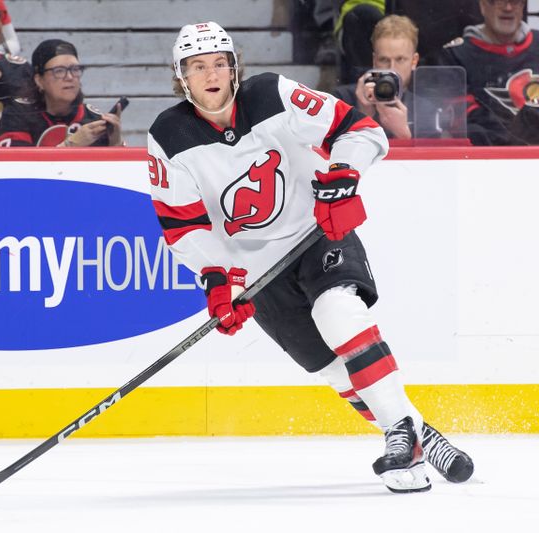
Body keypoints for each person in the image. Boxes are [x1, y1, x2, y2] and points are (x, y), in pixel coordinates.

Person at [147, 21, 474, 493]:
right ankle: (414, 436)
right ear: (182, 77)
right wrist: (219, 277)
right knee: (332, 368)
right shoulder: (169, 134)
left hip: (315, 232)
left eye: (220, 62)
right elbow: (182, 226)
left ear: (234, 67)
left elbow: (360, 130)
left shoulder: (272, 94)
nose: (212, 74)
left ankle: (402, 434)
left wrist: (343, 173)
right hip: (259, 272)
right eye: (198, 67)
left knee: (337, 311)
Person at [436, 0, 539, 145]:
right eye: (499, 2)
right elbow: (463, 118)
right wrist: (516, 142)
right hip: (487, 160)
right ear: (483, 5)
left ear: (523, 6)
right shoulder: (455, 56)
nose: (508, 8)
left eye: (514, 1)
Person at [0, 39, 124, 147]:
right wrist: (71, 145)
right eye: (59, 71)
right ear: (39, 80)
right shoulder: (18, 114)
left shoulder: (93, 120)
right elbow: (17, 171)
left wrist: (115, 143)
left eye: (75, 69)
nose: (70, 77)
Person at [332, 15, 418, 140]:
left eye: (400, 59)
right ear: (374, 60)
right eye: (384, 60)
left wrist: (403, 134)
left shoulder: (426, 110)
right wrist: (362, 114)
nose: (392, 68)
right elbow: (330, 151)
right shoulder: (342, 99)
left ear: (414, 61)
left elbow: (435, 158)